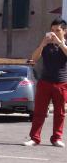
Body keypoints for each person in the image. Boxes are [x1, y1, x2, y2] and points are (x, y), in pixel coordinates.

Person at [24, 18, 67, 147]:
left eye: (57, 30)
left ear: (65, 31)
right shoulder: (47, 45)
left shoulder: (64, 44)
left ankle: (56, 138)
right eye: (52, 30)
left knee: (60, 113)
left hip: (61, 83)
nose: (54, 33)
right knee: (39, 112)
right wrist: (42, 44)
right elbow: (33, 59)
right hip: (45, 82)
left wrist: (59, 43)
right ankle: (34, 138)